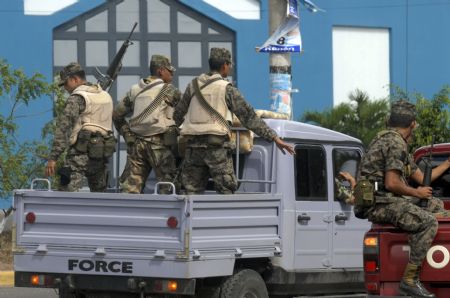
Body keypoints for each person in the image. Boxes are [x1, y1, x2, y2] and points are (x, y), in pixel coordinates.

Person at [357, 100, 450, 298]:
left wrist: (447, 163)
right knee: (429, 223)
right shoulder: (395, 143)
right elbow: (391, 183)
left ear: (389, 120)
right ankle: (409, 280)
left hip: (387, 200)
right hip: (379, 203)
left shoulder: (388, 140)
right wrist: (417, 193)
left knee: (435, 204)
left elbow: (424, 177)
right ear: (413, 124)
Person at [174, 47, 295, 194]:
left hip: (193, 148)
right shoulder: (227, 89)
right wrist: (274, 138)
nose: (230, 68)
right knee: (226, 190)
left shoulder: (192, 86)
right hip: (216, 148)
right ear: (224, 65)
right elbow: (249, 117)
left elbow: (178, 114)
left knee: (189, 192)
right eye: (229, 65)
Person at [113, 55, 181, 194]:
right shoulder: (170, 90)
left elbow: (116, 115)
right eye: (170, 70)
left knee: (130, 190)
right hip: (159, 144)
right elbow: (185, 111)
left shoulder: (135, 90)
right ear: (161, 71)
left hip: (137, 145)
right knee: (168, 188)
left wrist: (127, 134)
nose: (172, 74)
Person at [45, 62, 115, 192]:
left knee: (66, 194)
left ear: (75, 79)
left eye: (66, 83)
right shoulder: (105, 96)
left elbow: (63, 128)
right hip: (101, 155)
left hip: (79, 155)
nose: (65, 88)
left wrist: (53, 158)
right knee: (99, 197)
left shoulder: (77, 98)